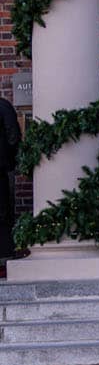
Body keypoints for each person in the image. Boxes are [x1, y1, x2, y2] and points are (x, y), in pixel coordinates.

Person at [0, 88, 20, 260]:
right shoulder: (3, 106)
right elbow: (13, 136)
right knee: (3, 212)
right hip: (1, 167)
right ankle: (5, 255)